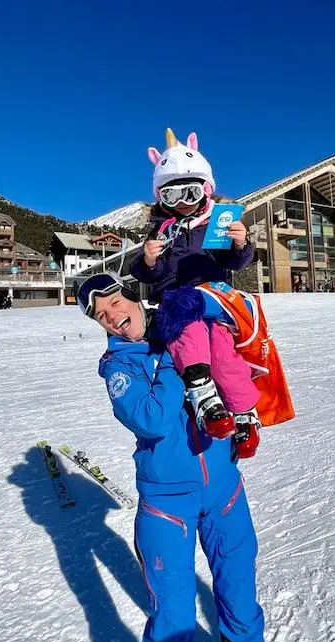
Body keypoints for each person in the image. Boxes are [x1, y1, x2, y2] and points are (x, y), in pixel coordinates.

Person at [75, 272, 278, 642]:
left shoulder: (188, 327)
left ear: (132, 296)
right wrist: (176, 358)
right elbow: (155, 417)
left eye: (116, 302)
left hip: (225, 492)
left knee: (238, 595)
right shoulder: (120, 367)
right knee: (172, 620)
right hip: (167, 506)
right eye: (102, 315)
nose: (114, 315)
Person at [131, 129, 261, 458]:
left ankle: (244, 412)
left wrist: (240, 243)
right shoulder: (160, 230)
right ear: (160, 197)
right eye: (172, 197)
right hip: (174, 306)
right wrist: (148, 259)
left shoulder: (216, 224)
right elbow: (148, 274)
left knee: (221, 344)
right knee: (185, 318)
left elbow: (234, 261)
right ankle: (202, 391)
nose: (183, 204)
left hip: (212, 300)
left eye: (190, 193)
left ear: (206, 190)